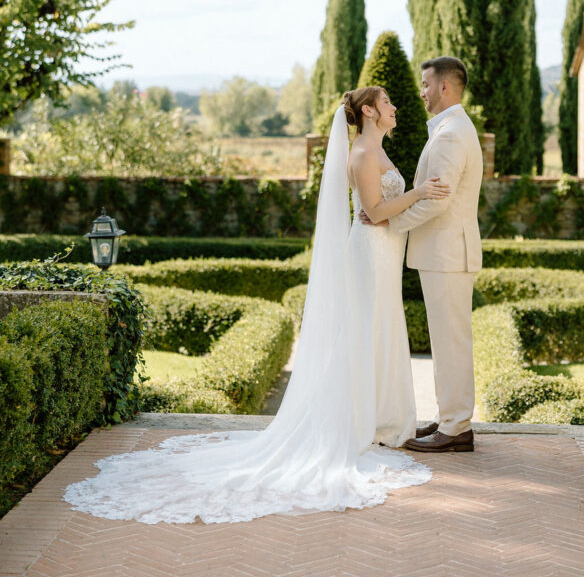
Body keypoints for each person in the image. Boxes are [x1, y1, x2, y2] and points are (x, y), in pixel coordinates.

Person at [62, 88, 447, 526]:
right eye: (388, 102)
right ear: (368, 111)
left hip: (384, 256)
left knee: (379, 330)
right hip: (370, 257)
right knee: (363, 334)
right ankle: (360, 422)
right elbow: (375, 212)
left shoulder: (374, 148)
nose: (395, 108)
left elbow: (376, 211)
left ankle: (382, 420)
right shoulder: (361, 152)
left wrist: (405, 200)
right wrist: (417, 194)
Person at [361, 57, 483, 453]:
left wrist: (387, 224)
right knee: (447, 341)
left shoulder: (450, 134)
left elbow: (437, 202)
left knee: (451, 342)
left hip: (448, 253)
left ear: (445, 87)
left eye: (426, 84)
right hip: (444, 253)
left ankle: (456, 426)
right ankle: (451, 418)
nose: (421, 91)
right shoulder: (451, 129)